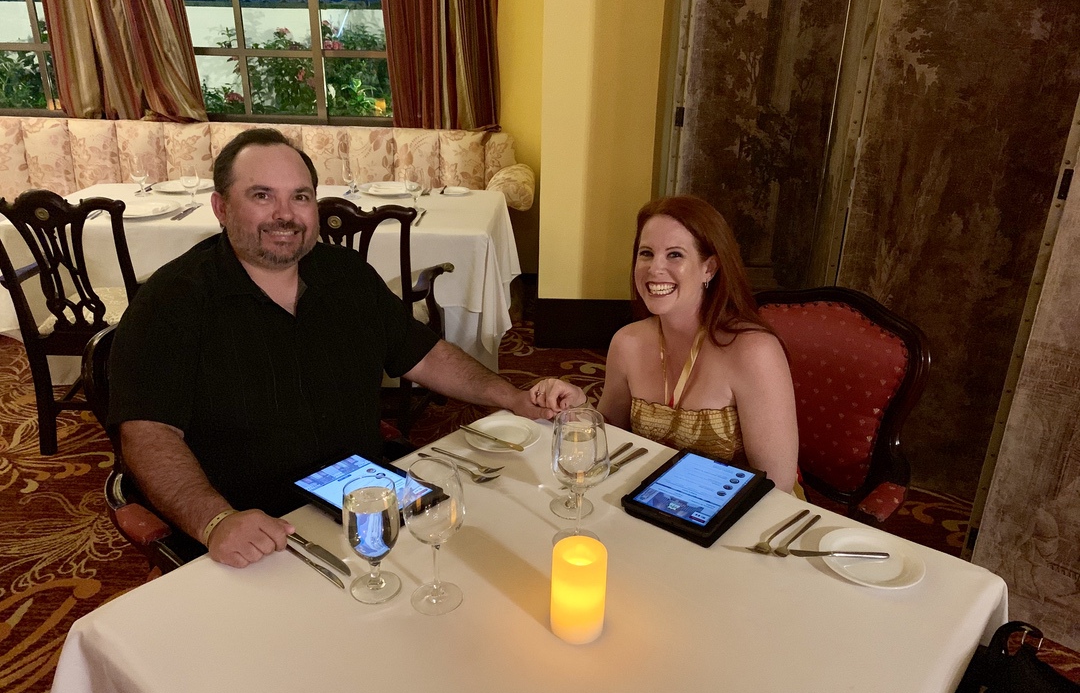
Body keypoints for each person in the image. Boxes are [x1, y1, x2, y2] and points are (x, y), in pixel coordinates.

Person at [108, 128, 581, 569]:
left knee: (493, 561)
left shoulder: (345, 275)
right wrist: (214, 520)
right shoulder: (172, 302)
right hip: (251, 523)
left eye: (300, 197)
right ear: (220, 207)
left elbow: (424, 354)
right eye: (261, 196)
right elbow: (148, 434)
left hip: (360, 492)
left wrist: (514, 399)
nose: (285, 214)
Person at [532, 195, 799, 494]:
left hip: (731, 513)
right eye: (646, 253)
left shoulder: (754, 352)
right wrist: (579, 404)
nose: (655, 269)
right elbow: (612, 434)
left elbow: (778, 486)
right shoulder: (627, 342)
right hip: (653, 500)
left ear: (709, 268)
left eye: (674, 255)